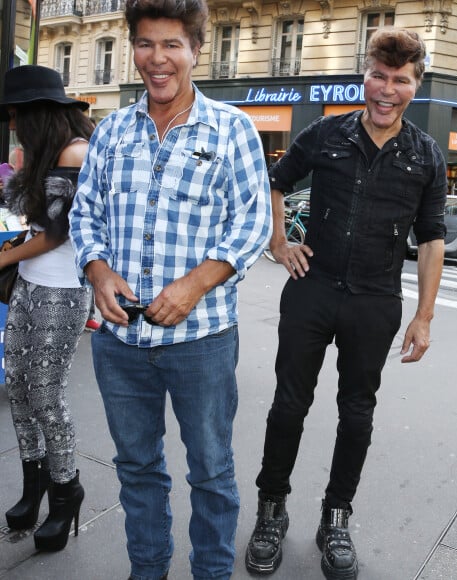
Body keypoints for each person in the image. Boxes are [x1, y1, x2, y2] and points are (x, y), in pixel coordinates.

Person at [68, 0, 272, 578]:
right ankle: (148, 568)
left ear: (196, 51)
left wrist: (194, 285)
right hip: (119, 341)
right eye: (145, 44)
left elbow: (254, 222)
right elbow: (85, 216)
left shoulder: (231, 128)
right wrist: (98, 270)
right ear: (133, 48)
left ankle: (211, 571)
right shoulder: (109, 131)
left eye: (172, 45)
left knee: (210, 469)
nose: (157, 59)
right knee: (136, 467)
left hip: (203, 340)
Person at [245, 27, 447, 580]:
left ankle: (336, 518)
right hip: (312, 290)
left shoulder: (426, 155)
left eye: (399, 80)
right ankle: (271, 510)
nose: (386, 90)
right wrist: (279, 242)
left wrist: (424, 317)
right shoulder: (326, 133)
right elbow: (275, 181)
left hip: (376, 301)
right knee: (289, 405)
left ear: (416, 85)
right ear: (365, 75)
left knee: (357, 413)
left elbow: (432, 239)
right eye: (378, 76)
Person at [0, 65, 94, 551]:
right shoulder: (43, 155)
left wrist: (4, 256)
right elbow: (41, 227)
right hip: (31, 287)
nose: (13, 123)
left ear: (38, 113)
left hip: (63, 291)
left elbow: (59, 233)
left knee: (46, 395)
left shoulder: (75, 152)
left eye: (17, 114)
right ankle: (33, 486)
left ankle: (65, 490)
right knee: (18, 387)